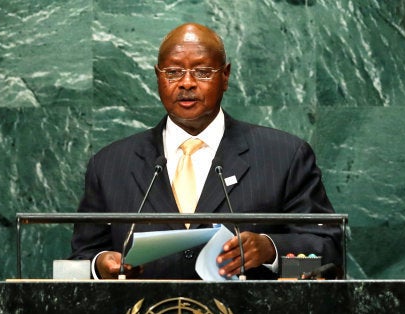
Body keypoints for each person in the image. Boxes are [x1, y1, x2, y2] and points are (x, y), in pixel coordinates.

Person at [69, 22, 342, 280]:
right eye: (173, 72)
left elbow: (328, 255)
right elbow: (80, 260)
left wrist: (271, 250)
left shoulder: (284, 156)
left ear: (225, 76)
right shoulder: (109, 165)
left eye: (202, 72)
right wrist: (100, 265)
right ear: (157, 77)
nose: (187, 83)